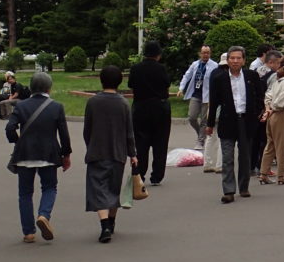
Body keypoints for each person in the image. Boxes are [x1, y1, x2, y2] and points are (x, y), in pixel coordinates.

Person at [5, 72, 72, 243]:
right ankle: (43, 215)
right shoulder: (56, 107)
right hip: (48, 154)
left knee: (25, 193)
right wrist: (66, 154)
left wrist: (17, 141)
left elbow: (10, 128)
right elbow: (64, 134)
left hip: (24, 154)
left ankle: (28, 232)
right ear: (49, 88)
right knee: (49, 187)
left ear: (31, 87)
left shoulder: (21, 106)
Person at [83, 66, 138, 243]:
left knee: (99, 188)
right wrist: (133, 154)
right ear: (120, 81)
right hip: (118, 152)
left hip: (97, 151)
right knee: (113, 189)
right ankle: (111, 221)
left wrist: (90, 145)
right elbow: (129, 132)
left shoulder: (93, 102)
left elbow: (87, 130)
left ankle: (104, 224)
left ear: (101, 80)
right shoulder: (123, 103)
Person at [205, 46, 265, 203]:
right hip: (227, 121)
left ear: (244, 60)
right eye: (232, 58)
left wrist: (258, 113)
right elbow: (214, 102)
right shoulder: (220, 78)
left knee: (245, 156)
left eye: (238, 58)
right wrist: (210, 124)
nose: (235, 61)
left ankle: (244, 187)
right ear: (227, 60)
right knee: (227, 157)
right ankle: (229, 190)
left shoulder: (252, 76)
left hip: (247, 121)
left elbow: (260, 97)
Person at [128, 40, 172, 187]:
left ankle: (139, 173)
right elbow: (167, 83)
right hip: (160, 107)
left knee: (141, 142)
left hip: (140, 107)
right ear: (158, 54)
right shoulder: (161, 68)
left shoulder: (135, 68)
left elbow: (131, 85)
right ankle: (157, 175)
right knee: (160, 142)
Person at [259, 56, 284, 185]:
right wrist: (274, 107)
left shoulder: (277, 81)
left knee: (270, 145)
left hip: (271, 115)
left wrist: (268, 108)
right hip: (281, 114)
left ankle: (263, 173)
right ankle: (281, 175)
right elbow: (281, 102)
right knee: (281, 146)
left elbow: (268, 96)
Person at [177, 45, 217, 150]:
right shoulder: (195, 64)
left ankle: (200, 141)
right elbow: (187, 76)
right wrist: (181, 88)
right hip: (196, 94)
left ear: (210, 54)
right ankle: (201, 133)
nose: (205, 55)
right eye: (203, 52)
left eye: (207, 53)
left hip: (207, 96)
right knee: (192, 117)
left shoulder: (214, 65)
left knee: (204, 120)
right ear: (200, 53)